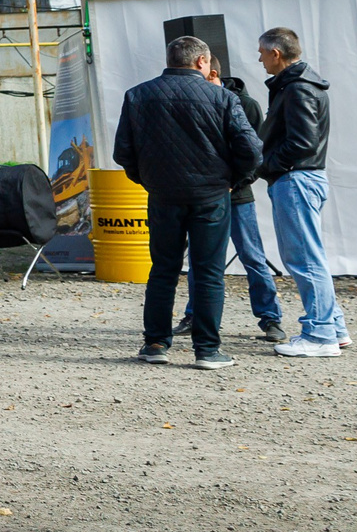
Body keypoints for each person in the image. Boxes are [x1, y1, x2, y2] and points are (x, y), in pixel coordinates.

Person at [112, 35, 263, 369]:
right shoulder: (222, 97)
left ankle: (155, 344)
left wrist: (148, 180)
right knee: (209, 272)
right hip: (211, 196)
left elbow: (122, 151)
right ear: (201, 62)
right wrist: (233, 181)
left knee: (163, 270)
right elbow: (252, 150)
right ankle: (207, 350)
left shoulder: (138, 95)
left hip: (163, 196)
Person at [178, 67, 287, 345]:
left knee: (252, 257)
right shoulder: (198, 102)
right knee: (199, 260)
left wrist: (233, 183)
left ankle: (270, 318)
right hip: (206, 195)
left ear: (213, 73)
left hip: (237, 197)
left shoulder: (245, 104)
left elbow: (256, 153)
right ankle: (194, 315)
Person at [257, 28, 344, 358]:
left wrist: (268, 167)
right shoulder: (303, 85)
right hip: (304, 178)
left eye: (262, 53)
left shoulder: (296, 89)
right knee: (311, 256)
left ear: (276, 55)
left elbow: (302, 143)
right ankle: (334, 327)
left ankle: (321, 335)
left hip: (296, 180)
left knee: (305, 259)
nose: (260, 59)